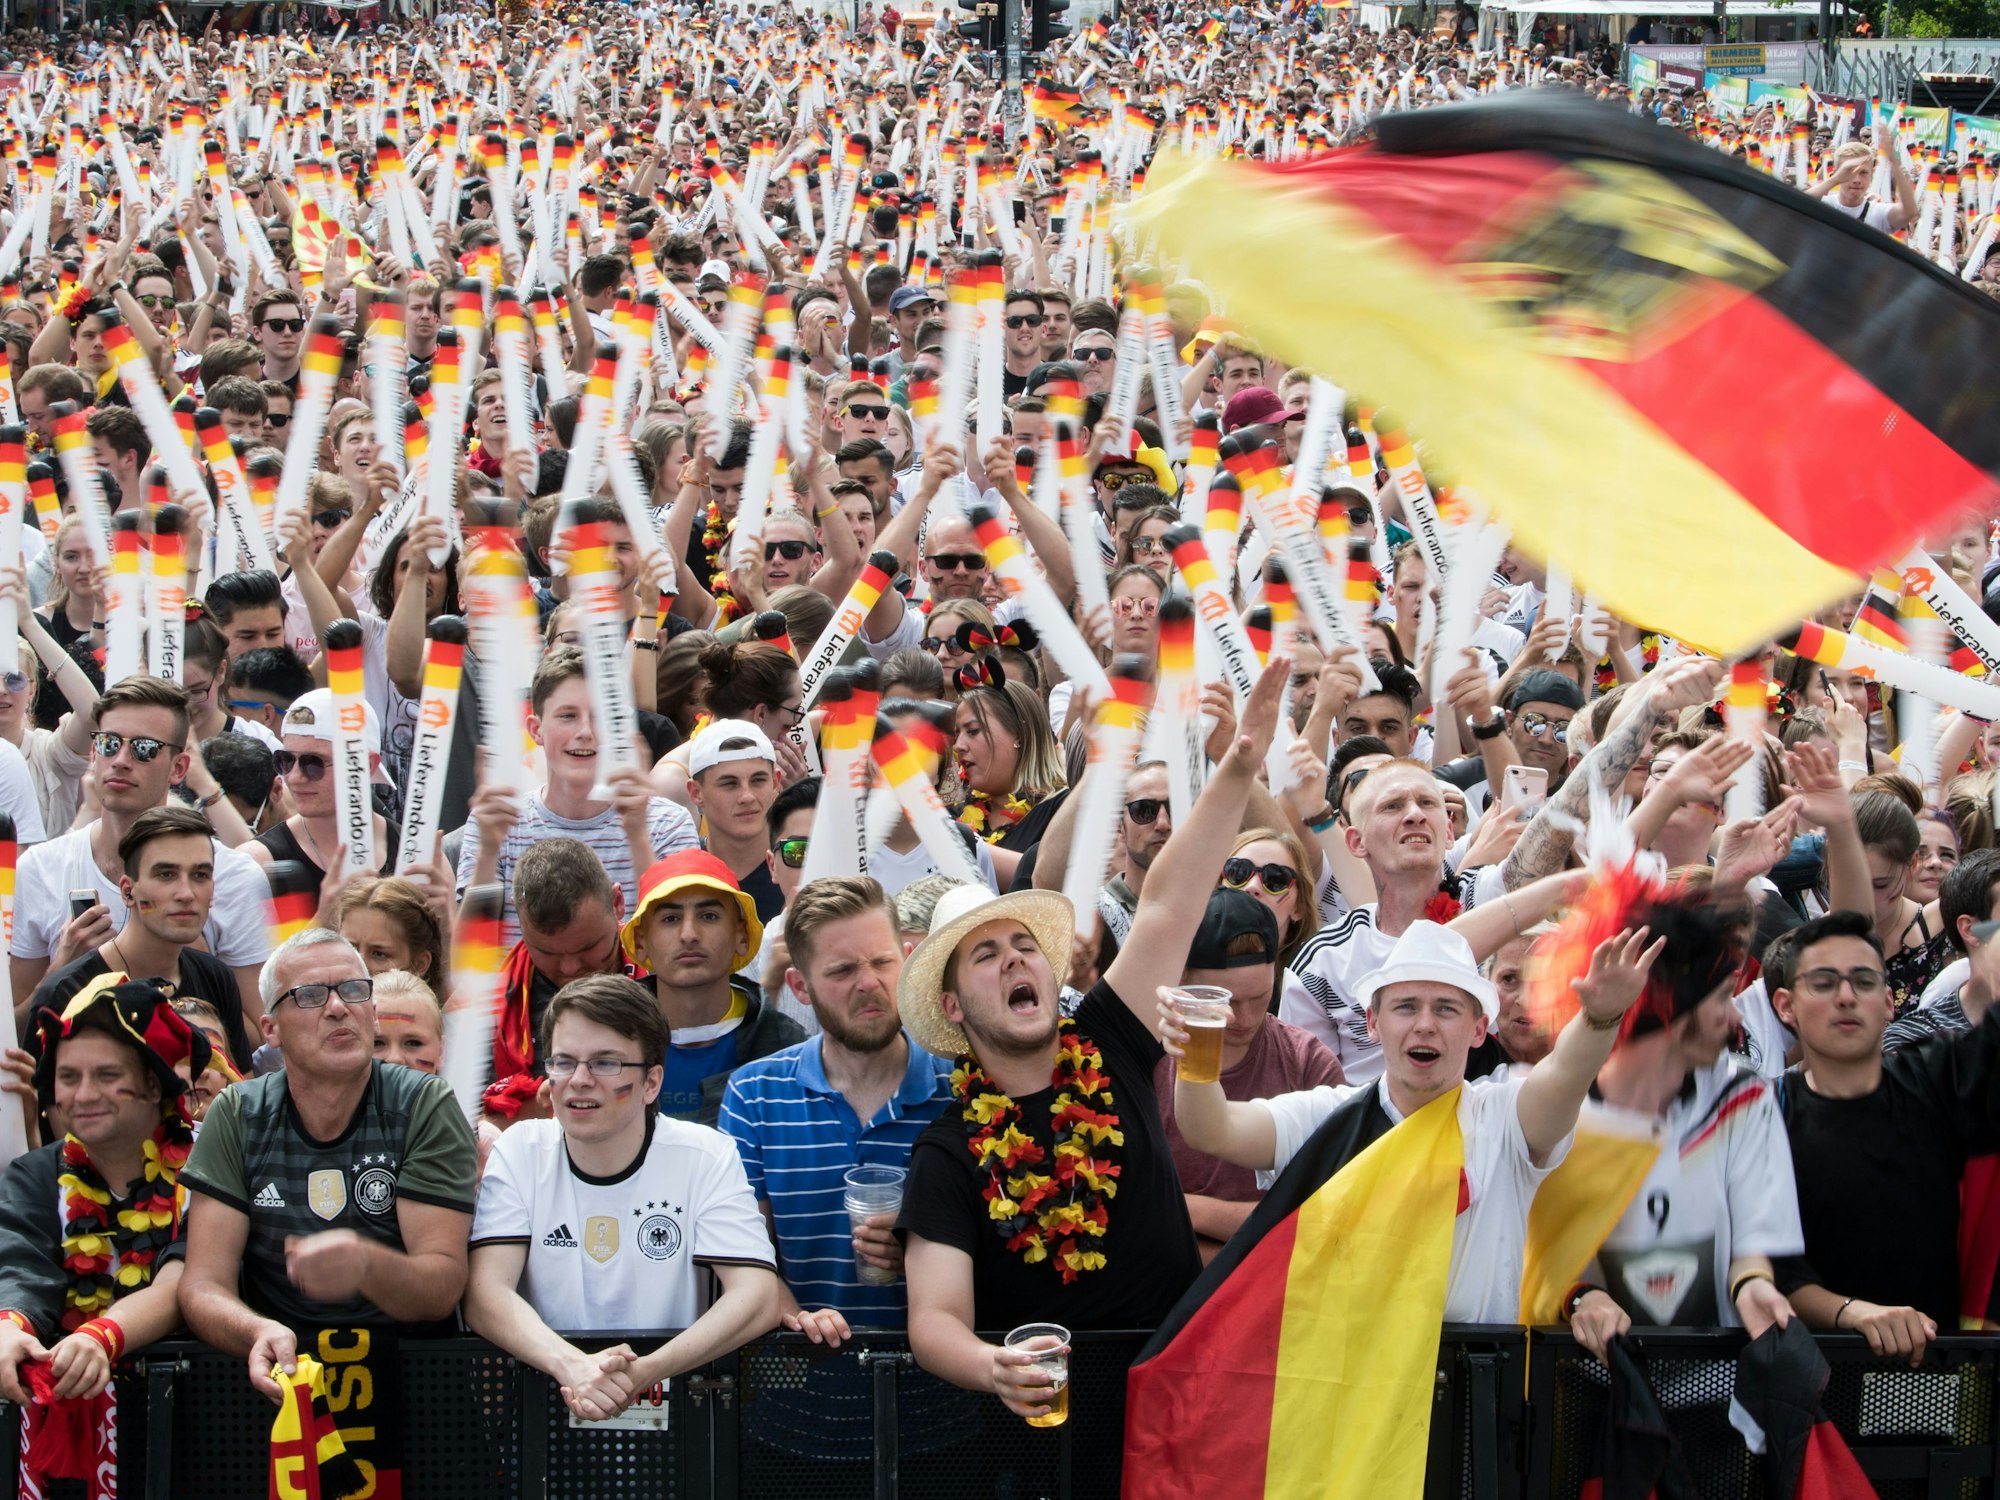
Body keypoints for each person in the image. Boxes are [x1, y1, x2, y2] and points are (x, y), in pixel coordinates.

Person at [895, 659, 1284, 1418]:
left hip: (1178, 1409)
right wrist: (990, 1364)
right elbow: (934, 1320)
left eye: (1022, 947)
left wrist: (1237, 765)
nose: (1013, 959)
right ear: (954, 1006)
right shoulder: (947, 1151)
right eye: (985, 955)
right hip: (1049, 1437)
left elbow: (1171, 900)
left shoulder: (1107, 1039)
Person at [1165, 916, 1662, 1319]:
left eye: (1446, 1009)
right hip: (1352, 1395)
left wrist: (1599, 1019)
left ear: (1478, 1028)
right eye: (1405, 1006)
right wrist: (1194, 1051)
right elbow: (1213, 1129)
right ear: (1373, 1023)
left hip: (1471, 1398)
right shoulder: (1330, 1117)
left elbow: (1562, 1079)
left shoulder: (1505, 1118)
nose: (1424, 1024)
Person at [466, 974, 782, 1420]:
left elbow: (758, 1297)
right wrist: (572, 1367)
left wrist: (644, 1374)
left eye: (606, 1063)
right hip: (547, 1409)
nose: (578, 1080)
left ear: (652, 1082)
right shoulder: (519, 1149)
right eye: (563, 1062)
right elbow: (484, 1295)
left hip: (679, 1421)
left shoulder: (706, 1154)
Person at [177, 930, 477, 1396]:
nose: (338, 1007)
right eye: (310, 995)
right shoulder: (238, 1112)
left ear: (371, 1009)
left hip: (415, 1388)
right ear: (270, 1029)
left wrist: (365, 1266)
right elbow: (201, 1285)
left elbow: (442, 1289)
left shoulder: (424, 1102)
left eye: (354, 990)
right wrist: (254, 1331)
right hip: (281, 1383)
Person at [1565, 895, 1804, 1352]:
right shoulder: (1560, 1111)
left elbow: (1753, 1245)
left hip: (1719, 1396)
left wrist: (1754, 1285)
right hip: (1592, 1390)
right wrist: (1583, 1296)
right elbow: (1534, 1252)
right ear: (1675, 1007)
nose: (1736, 1019)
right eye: (1722, 999)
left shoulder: (1744, 1096)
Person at [0, 980, 210, 1487]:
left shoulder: (210, 1165)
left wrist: (103, 1336)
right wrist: (9, 1328)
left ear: (156, 1086)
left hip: (199, 1430)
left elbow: (184, 1279)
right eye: (67, 1077)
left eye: (108, 1075)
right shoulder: (34, 1175)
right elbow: (20, 1265)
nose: (84, 1094)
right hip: (64, 1449)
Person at [722, 877, 955, 1333]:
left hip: (945, 1389)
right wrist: (799, 1319)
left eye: (883, 962)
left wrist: (927, 1253)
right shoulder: (755, 1095)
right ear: (800, 986)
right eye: (842, 971)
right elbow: (743, 1254)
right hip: (802, 1381)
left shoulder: (962, 1090)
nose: (868, 983)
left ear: (909, 962)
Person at [1768, 910, 2000, 1361]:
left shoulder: (1936, 1073)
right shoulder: (1764, 1111)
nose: (1846, 997)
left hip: (1934, 1367)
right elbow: (1766, 1269)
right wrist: (1855, 1313)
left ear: (1891, 1001)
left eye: (1864, 981)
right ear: (1785, 1005)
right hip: (1809, 1379)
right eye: (1822, 983)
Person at [12, 677, 270, 1032]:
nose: (120, 760)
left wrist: (190, 959)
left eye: (144, 749)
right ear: (93, 754)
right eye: (109, 743)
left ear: (178, 768)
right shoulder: (39, 868)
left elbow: (261, 1040)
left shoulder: (234, 876)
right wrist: (63, 972)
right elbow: (11, 1035)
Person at [457, 647, 700, 948]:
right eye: (568, 716)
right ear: (536, 729)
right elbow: (472, 954)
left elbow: (679, 944)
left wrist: (637, 835)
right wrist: (488, 853)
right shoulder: (499, 820)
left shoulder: (667, 823)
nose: (585, 732)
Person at [1154, 889, 1342, 1261]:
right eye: (1224, 1003)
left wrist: (1191, 1209)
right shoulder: (1149, 1064)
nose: (1243, 1018)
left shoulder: (1308, 1064)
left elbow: (1325, 1213)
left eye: (1259, 998)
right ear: (1185, 983)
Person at [28, 804, 253, 1069]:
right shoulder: (66, 992)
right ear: (127, 891)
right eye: (166, 875)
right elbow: (41, 1106)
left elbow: (239, 1096)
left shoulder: (215, 977)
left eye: (200, 875)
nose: (186, 893)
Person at [622, 850, 805, 1123]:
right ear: (640, 941)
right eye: (670, 919)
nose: (689, 935)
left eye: (708, 916)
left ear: (741, 936)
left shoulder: (789, 1051)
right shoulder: (607, 1046)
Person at [492, 839, 642, 1080]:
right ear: (519, 919)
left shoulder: (666, 981)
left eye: (588, 947)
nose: (570, 968)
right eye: (547, 953)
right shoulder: (484, 1006)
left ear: (617, 903)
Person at [243, 689, 398, 898]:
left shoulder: (415, 854)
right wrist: (325, 915)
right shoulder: (259, 863)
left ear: (366, 765)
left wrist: (443, 915)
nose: (294, 777)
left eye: (313, 763)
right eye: (285, 760)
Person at [683, 719, 790, 923]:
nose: (747, 796)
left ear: (776, 782)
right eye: (729, 784)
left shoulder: (801, 866)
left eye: (758, 780)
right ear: (696, 793)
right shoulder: (681, 873)